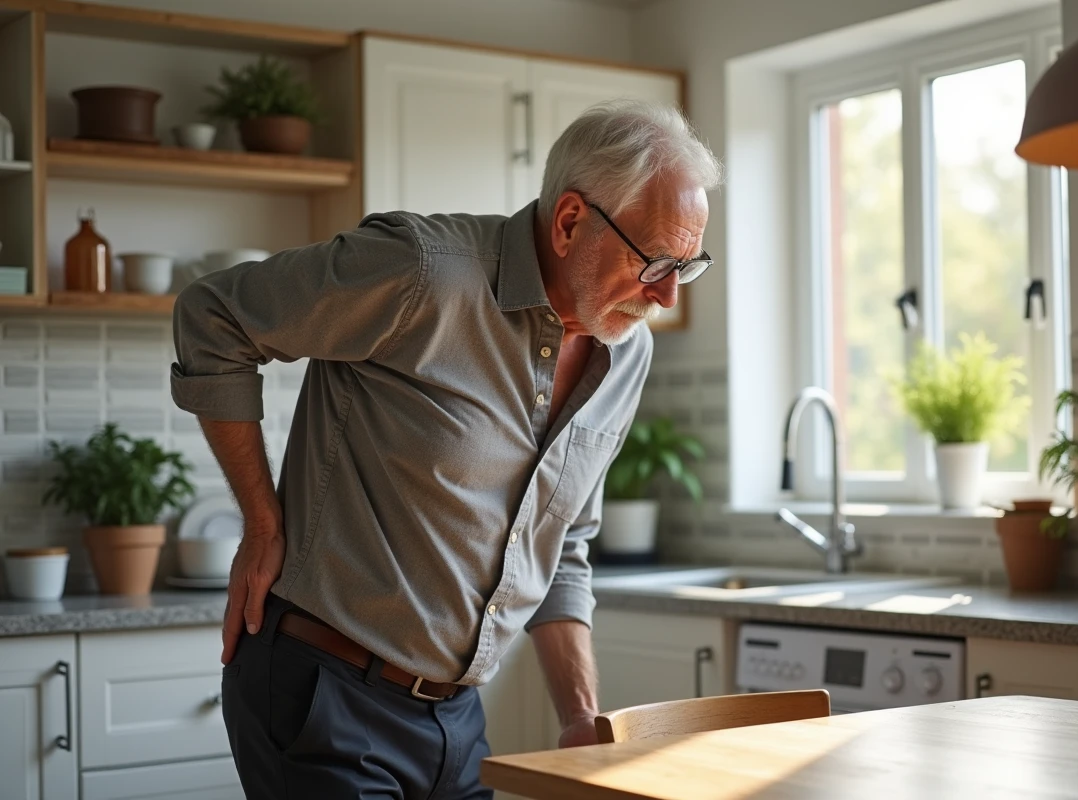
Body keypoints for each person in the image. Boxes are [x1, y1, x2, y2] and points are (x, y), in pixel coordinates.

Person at [170, 98, 722, 798]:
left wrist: (579, 714)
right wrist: (261, 519)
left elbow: (562, 545)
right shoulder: (422, 272)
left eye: (688, 264)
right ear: (570, 221)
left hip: (455, 720)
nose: (669, 295)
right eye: (654, 261)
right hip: (324, 694)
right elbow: (212, 317)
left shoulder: (625, 348)